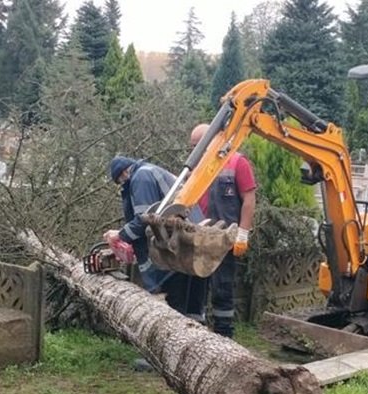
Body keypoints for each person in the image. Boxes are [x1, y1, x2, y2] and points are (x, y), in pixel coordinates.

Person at [104, 156, 208, 324]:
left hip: (174, 252)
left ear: (124, 173)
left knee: (175, 311)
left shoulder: (140, 178)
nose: (123, 184)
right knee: (193, 310)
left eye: (121, 181)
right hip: (192, 243)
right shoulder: (152, 171)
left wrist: (120, 235)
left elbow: (145, 219)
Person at [190, 123, 257, 339]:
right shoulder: (196, 166)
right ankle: (195, 332)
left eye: (197, 145)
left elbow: (249, 199)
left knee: (222, 287)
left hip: (225, 238)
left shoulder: (237, 162)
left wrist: (243, 234)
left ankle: (223, 333)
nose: (194, 151)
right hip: (199, 236)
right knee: (196, 286)